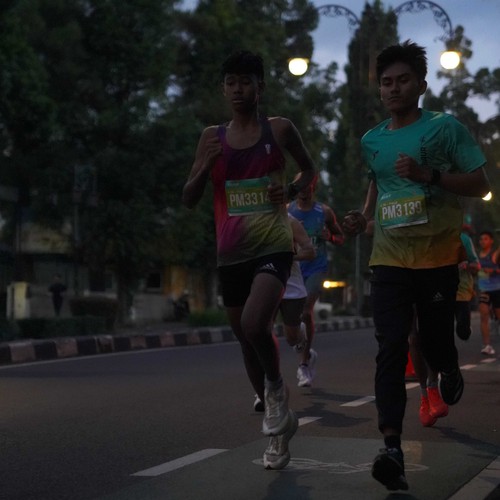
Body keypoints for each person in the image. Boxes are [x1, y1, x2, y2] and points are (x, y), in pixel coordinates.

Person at [342, 41, 490, 491]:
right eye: (386, 82)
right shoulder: (372, 141)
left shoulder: (445, 128)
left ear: (421, 85)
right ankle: (391, 447)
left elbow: (480, 183)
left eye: (402, 80)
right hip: (389, 257)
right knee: (391, 347)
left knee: (434, 341)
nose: (393, 89)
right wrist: (363, 217)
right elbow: (378, 183)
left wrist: (431, 176)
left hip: (438, 257)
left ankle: (448, 367)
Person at [182, 50, 316, 470]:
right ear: (223, 90)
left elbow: (308, 170)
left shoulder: (279, 129)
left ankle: (275, 389)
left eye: (246, 82)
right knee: (245, 338)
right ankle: (278, 435)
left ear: (261, 86)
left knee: (256, 324)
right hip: (231, 253)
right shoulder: (211, 137)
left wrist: (290, 192)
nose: (238, 90)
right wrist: (204, 166)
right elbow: (188, 198)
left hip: (273, 245)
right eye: (231, 83)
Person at [254, 213, 316, 412]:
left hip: (291, 287)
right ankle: (265, 388)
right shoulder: (252, 220)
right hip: (265, 285)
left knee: (292, 339)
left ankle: (301, 333)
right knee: (262, 333)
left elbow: (310, 252)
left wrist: (287, 257)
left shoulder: (289, 221)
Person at [288, 177, 344, 386]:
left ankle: (303, 364)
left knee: (306, 311)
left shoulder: (324, 212)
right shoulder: (287, 211)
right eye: (300, 188)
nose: (304, 191)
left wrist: (330, 237)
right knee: (293, 316)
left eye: (308, 187)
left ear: (314, 188)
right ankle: (306, 349)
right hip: (294, 269)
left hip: (316, 267)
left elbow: (341, 238)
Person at [477, 230, 500, 355]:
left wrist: (493, 271)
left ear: (491, 241)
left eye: (485, 239)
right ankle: (487, 345)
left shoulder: (495, 254)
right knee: (483, 315)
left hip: (497, 289)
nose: (482, 241)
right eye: (481, 239)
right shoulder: (477, 255)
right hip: (484, 289)